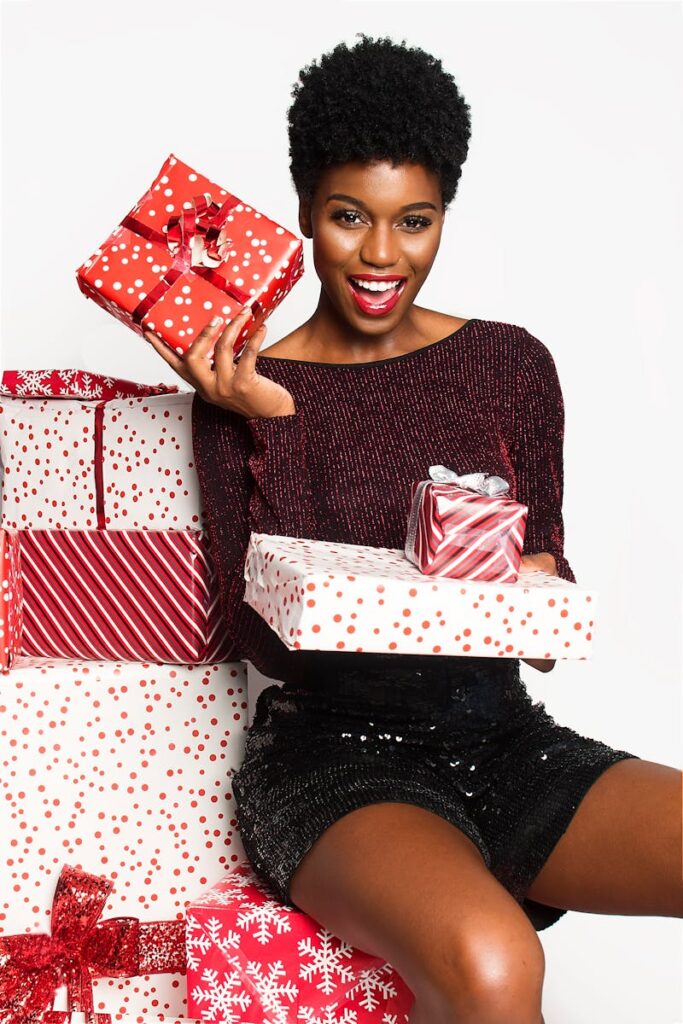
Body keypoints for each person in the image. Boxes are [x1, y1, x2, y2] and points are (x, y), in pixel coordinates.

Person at [146, 33, 682, 1024]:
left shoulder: (510, 365)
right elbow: (254, 637)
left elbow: (545, 588)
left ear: (444, 215)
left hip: (505, 739)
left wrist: (538, 594)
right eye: (350, 217)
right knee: (491, 959)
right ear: (304, 207)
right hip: (334, 762)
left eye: (414, 219)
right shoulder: (241, 382)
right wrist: (270, 419)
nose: (383, 254)